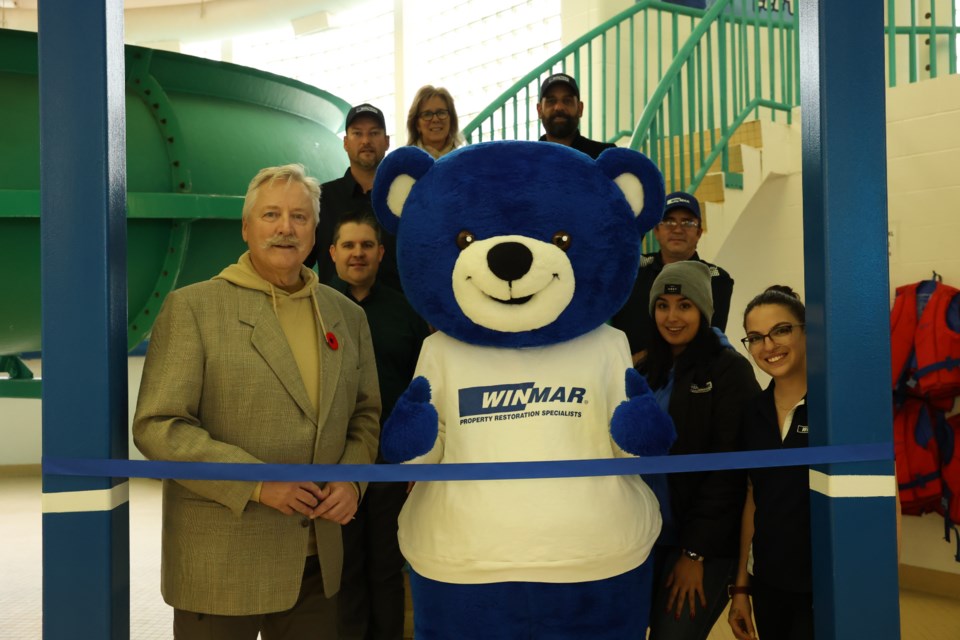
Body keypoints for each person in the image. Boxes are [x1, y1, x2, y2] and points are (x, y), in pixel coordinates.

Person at [133, 164, 381, 639]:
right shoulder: (194, 309)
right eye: (271, 215)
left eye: (299, 217)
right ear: (246, 228)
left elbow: (365, 414)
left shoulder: (346, 316)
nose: (285, 227)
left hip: (316, 562)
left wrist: (351, 478)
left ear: (315, 232)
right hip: (222, 562)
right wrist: (257, 484)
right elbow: (158, 425)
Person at [327, 212, 430, 640]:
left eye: (366, 245)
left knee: (386, 568)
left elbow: (421, 388)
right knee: (344, 569)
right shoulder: (313, 306)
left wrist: (416, 460)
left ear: (381, 253)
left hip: (390, 463)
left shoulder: (405, 311)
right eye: (348, 245)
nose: (357, 254)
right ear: (331, 253)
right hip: (334, 465)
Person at [643, 261, 759, 640]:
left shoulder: (728, 370)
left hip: (701, 546)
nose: (672, 317)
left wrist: (694, 554)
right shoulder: (647, 370)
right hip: (647, 539)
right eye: (663, 305)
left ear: (703, 310)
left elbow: (729, 471)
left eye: (684, 305)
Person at [728, 286, 813, 640]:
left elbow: (886, 499)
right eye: (755, 337)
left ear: (806, 330)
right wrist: (742, 590)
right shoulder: (752, 413)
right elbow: (753, 500)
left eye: (781, 330)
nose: (769, 346)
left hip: (829, 582)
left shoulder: (837, 409)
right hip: (769, 584)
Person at [611, 191, 734, 366]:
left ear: (699, 232)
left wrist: (640, 361)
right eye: (668, 221)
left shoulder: (715, 278)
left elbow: (706, 339)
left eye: (687, 222)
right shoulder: (633, 270)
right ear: (656, 230)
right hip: (624, 379)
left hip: (685, 379)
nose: (677, 229)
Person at [305, 103, 401, 292]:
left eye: (374, 133)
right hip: (334, 317)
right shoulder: (320, 200)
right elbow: (300, 263)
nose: (366, 140)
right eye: (357, 133)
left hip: (397, 318)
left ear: (387, 141)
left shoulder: (405, 200)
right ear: (346, 142)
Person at [536, 72, 615, 159]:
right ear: (539, 110)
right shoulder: (527, 158)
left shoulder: (605, 156)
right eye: (551, 101)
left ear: (580, 109)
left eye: (567, 101)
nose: (559, 107)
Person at [405, 85, 461, 159]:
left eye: (441, 113)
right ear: (416, 124)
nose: (435, 119)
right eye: (427, 114)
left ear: (451, 120)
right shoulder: (405, 163)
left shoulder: (464, 160)